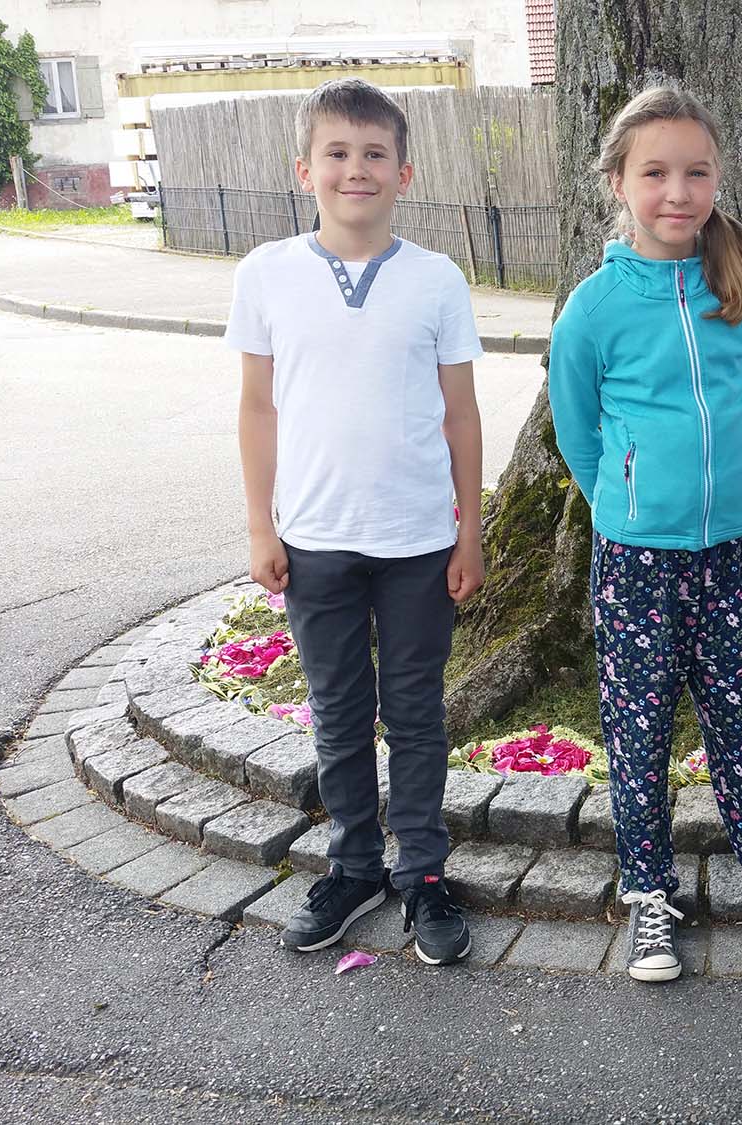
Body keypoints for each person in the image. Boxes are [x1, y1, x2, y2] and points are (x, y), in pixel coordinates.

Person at [549, 85, 742, 987]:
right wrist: (627, 500)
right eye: (655, 173)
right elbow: (578, 432)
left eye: (696, 172)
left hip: (736, 550)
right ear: (617, 184)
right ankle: (649, 897)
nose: (677, 191)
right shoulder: (592, 309)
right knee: (638, 732)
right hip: (635, 561)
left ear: (717, 178)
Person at [227, 78, 484, 963]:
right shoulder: (266, 274)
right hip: (314, 541)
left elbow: (461, 415)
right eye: (337, 153)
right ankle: (353, 866)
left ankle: (423, 872)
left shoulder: (436, 279)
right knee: (338, 714)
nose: (356, 169)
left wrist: (470, 530)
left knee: (414, 713)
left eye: (375, 154)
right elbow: (257, 408)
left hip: (418, 543)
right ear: (305, 170)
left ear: (403, 173)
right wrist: (260, 526)